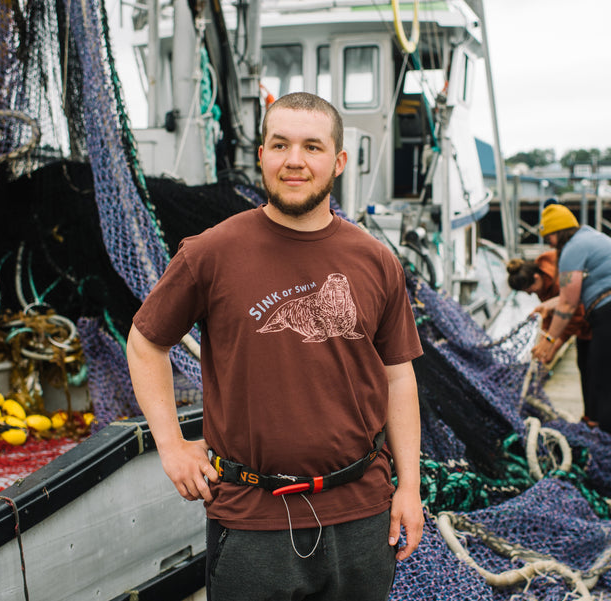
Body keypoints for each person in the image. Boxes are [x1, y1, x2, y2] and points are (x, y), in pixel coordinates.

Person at [126, 92, 424, 601]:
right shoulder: (210, 253)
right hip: (251, 520)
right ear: (261, 154)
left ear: (338, 161)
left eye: (312, 147)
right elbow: (145, 343)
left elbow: (398, 377)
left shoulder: (377, 260)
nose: (294, 161)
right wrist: (172, 446)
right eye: (280, 144)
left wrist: (410, 489)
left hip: (362, 515)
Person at [529, 204, 611, 438]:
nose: (549, 243)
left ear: (558, 232)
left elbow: (568, 305)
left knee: (605, 389)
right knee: (599, 379)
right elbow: (571, 295)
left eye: (549, 237)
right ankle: (594, 434)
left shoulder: (572, 249)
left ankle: (607, 455)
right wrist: (547, 305)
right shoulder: (591, 238)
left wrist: (549, 340)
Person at [506, 250, 591, 402]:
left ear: (536, 278)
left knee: (592, 371)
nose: (532, 295)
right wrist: (543, 340)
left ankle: (594, 419)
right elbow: (551, 315)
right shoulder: (543, 283)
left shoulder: (559, 282)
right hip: (583, 326)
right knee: (584, 368)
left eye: (531, 291)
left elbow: (575, 317)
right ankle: (590, 416)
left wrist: (553, 345)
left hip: (593, 323)